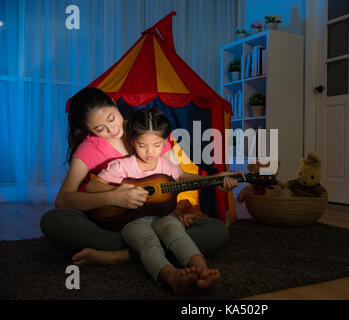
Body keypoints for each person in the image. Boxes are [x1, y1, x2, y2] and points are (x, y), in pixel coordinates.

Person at [40, 87, 238, 269]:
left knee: (217, 230)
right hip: (112, 222)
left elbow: (175, 175)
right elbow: (63, 199)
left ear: (113, 102)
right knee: (54, 221)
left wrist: (214, 180)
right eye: (99, 129)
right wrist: (112, 197)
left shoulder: (146, 129)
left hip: (155, 216)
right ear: (88, 129)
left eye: (111, 118)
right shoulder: (91, 147)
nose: (111, 130)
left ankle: (121, 255)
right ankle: (156, 248)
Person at [86, 108, 224, 295]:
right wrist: (120, 191)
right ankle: (171, 277)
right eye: (142, 145)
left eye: (157, 145)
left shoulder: (168, 167)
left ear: (165, 142)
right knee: (148, 243)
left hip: (162, 215)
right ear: (132, 142)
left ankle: (204, 273)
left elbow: (182, 181)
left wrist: (218, 180)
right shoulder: (122, 166)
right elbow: (92, 187)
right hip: (130, 218)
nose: (150, 152)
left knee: (177, 234)